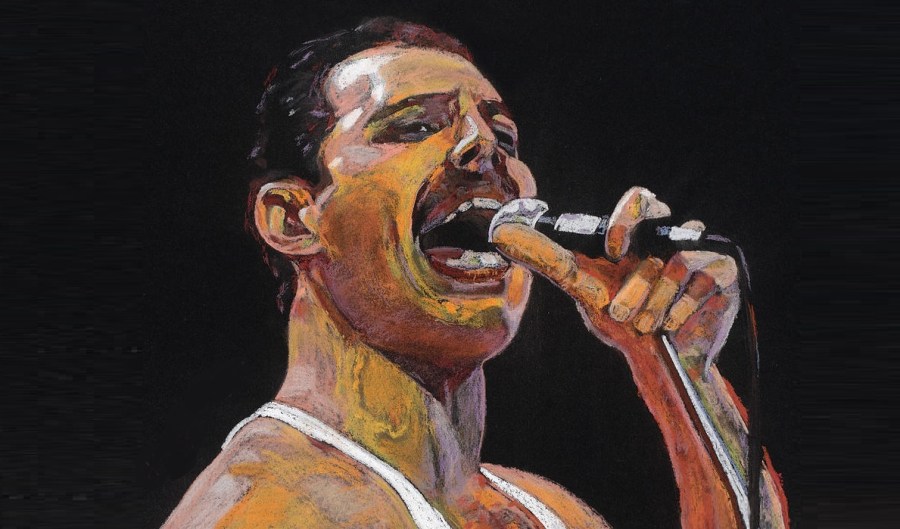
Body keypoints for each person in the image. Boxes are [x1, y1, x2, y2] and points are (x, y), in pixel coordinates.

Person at [163, 18, 789, 529]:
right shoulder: (264, 509)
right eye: (414, 126)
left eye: (506, 139)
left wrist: (678, 368)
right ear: (293, 218)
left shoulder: (550, 512)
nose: (482, 148)